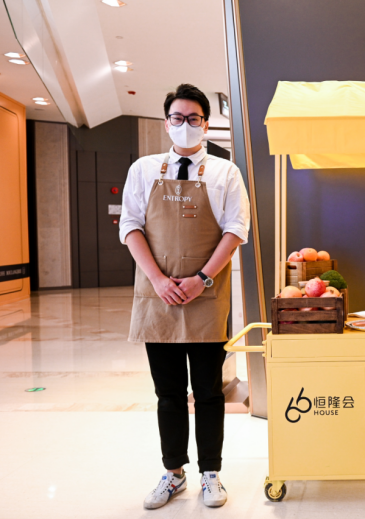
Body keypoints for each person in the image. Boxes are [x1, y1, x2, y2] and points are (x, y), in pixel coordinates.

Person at [119, 84, 250, 510]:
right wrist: (158, 280)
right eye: (178, 118)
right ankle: (173, 473)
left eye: (194, 118)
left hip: (206, 297)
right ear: (166, 124)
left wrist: (202, 279)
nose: (185, 125)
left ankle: (211, 473)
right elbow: (130, 226)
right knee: (169, 393)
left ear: (206, 124)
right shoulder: (143, 170)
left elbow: (235, 230)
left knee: (209, 391)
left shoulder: (225, 173)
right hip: (157, 297)